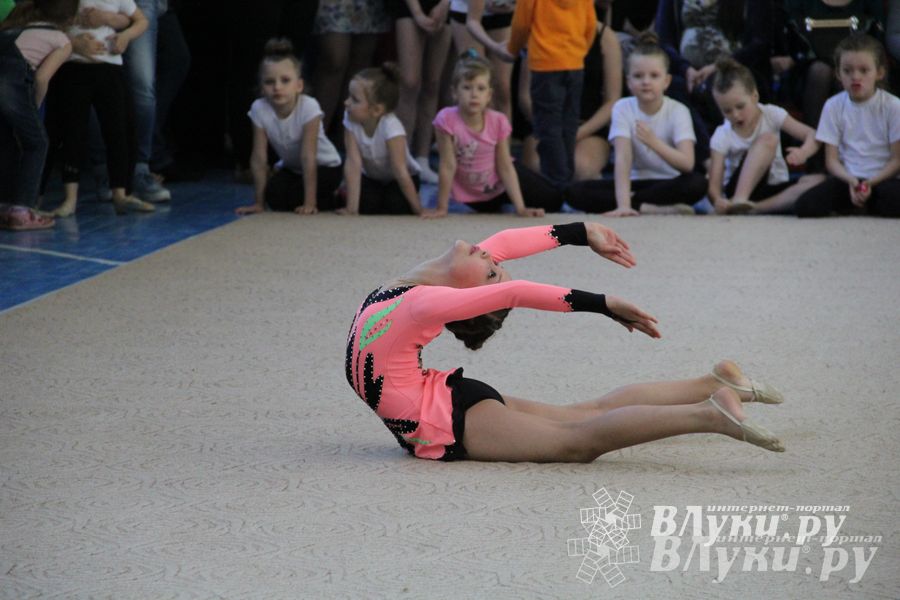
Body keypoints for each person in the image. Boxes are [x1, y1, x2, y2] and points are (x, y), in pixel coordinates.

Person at [345, 220, 786, 462]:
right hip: (442, 401)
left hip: (443, 416)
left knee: (577, 439)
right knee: (583, 417)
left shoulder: (421, 299)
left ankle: (709, 412)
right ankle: (711, 383)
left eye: (492, 269)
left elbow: (510, 273)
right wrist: (590, 260)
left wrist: (594, 272)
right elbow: (506, 254)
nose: (490, 256)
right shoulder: (414, 290)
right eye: (491, 267)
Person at [566, 35, 706, 216]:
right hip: (634, 181)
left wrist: (653, 142)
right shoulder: (622, 108)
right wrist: (623, 205)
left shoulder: (678, 110)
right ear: (629, 82)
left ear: (667, 81)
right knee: (574, 192)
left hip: (668, 182)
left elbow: (687, 164)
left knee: (697, 183)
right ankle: (645, 207)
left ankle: (639, 202)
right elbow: (623, 159)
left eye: (654, 76)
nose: (646, 82)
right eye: (638, 76)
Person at [45, 0, 154, 217]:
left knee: (118, 132)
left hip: (109, 66)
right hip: (74, 66)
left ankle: (120, 193)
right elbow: (48, 21)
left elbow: (141, 20)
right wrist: (73, 43)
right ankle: (70, 198)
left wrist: (125, 35)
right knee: (71, 132)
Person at [428, 53, 562, 217]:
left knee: (554, 200)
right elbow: (447, 164)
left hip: (502, 181)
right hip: (476, 197)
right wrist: (442, 208)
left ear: (489, 95)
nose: (474, 94)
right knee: (491, 209)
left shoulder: (498, 121)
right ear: (454, 92)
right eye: (467, 87)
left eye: (481, 88)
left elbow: (504, 165)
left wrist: (520, 208)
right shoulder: (445, 119)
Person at [795, 34, 900, 217]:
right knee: (805, 206)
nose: (855, 77)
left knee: (891, 198)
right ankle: (860, 201)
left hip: (883, 179)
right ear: (838, 73)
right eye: (848, 70)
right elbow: (832, 161)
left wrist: (869, 183)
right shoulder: (833, 105)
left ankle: (864, 203)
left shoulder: (893, 106)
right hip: (848, 178)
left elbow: (896, 160)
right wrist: (852, 181)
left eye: (864, 70)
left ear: (880, 72)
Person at [236, 39, 342, 216]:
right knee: (274, 196)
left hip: (325, 167)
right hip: (293, 168)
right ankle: (307, 196)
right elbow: (259, 157)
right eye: (269, 82)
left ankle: (336, 197)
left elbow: (309, 156)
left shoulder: (309, 107)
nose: (277, 87)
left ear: (299, 85)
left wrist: (310, 203)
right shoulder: (259, 108)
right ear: (262, 88)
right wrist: (259, 203)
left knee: (296, 197)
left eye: (285, 80)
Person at [707, 57, 825, 214]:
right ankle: (740, 200)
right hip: (735, 190)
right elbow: (714, 187)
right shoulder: (722, 135)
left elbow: (813, 134)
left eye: (740, 106)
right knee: (769, 139)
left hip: (771, 187)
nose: (735, 115)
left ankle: (754, 208)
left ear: (754, 96)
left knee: (818, 181)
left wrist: (804, 152)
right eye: (727, 111)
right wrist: (717, 200)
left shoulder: (772, 114)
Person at [0, 0, 76, 230]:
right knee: (37, 142)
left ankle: (4, 204)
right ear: (69, 19)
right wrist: (33, 107)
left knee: (7, 140)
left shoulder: (13, 28)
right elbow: (42, 78)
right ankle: (21, 210)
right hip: (10, 80)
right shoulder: (62, 40)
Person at [507, 0, 596, 188]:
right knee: (568, 124)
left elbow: (521, 24)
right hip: (574, 64)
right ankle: (566, 180)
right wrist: (577, 54)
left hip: (545, 63)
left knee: (548, 126)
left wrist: (512, 49)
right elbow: (590, 26)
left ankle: (557, 184)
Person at [340, 64, 423, 215]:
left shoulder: (391, 127)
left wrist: (419, 210)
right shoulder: (350, 118)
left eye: (354, 99)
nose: (346, 103)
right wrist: (351, 208)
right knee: (368, 205)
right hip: (373, 178)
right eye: (348, 96)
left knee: (395, 205)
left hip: (399, 179)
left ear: (377, 110)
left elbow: (400, 169)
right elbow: (353, 162)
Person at [391, 0, 452, 184]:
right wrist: (417, 11)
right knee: (409, 82)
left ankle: (422, 158)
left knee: (433, 82)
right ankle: (401, 156)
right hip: (410, 7)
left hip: (444, 6)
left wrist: (444, 4)